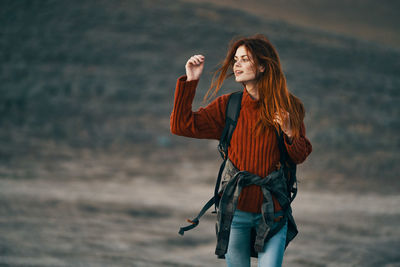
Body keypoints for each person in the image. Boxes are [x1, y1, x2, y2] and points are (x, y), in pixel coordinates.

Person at [170, 34, 312, 267]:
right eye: (235, 59)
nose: (236, 64)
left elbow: (300, 154)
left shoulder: (289, 107)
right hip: (235, 213)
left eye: (244, 59)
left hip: (274, 213)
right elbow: (181, 125)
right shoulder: (230, 106)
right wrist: (191, 80)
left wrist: (289, 132)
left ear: (264, 65)